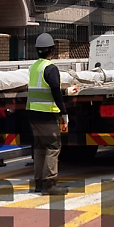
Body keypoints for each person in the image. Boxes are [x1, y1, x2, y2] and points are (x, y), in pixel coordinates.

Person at [27, 33, 67, 195]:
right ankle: (49, 184)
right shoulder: (50, 68)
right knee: (53, 146)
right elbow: (56, 91)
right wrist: (64, 112)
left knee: (39, 147)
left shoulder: (34, 67)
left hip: (32, 112)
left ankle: (38, 183)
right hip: (46, 114)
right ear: (52, 50)